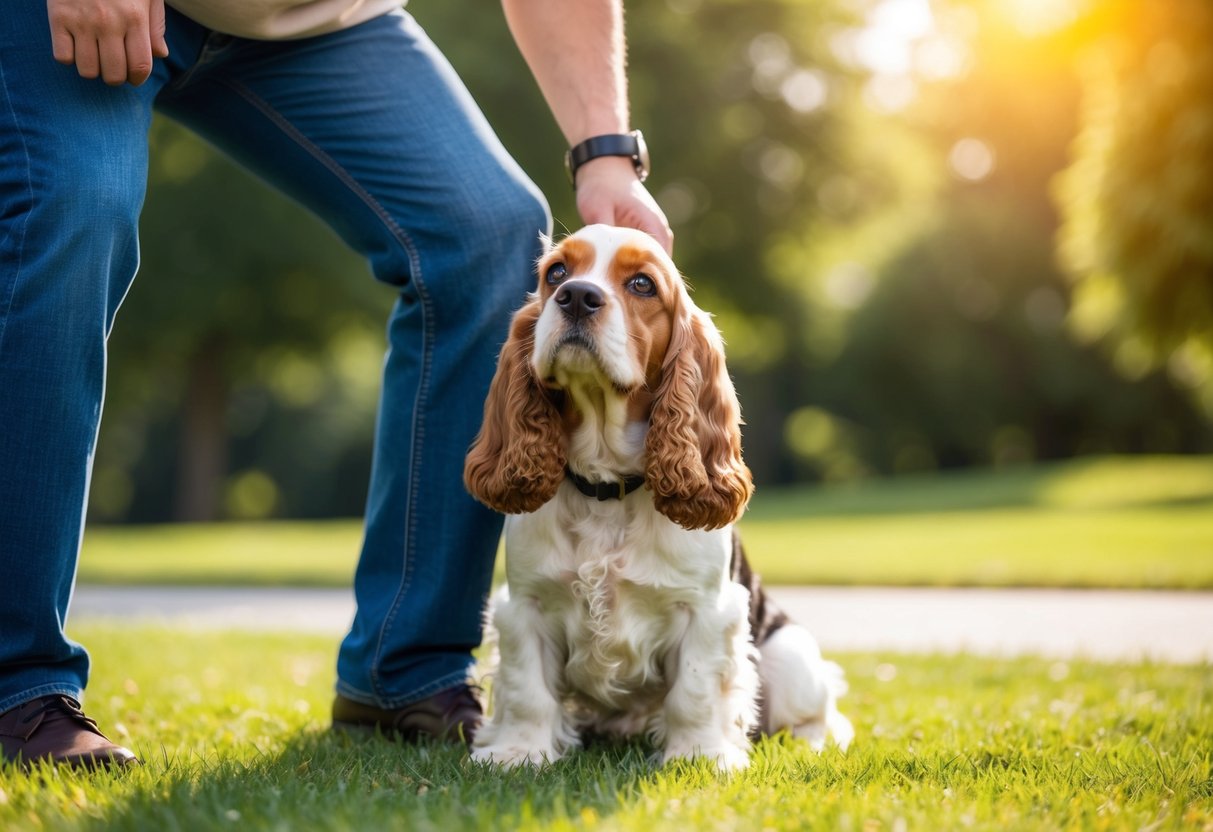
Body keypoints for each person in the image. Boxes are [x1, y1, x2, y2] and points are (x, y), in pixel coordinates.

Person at [0, 0, 672, 768]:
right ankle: (15, 683)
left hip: (314, 22)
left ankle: (406, 671)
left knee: (488, 233)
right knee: (71, 210)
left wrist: (605, 153)